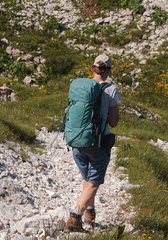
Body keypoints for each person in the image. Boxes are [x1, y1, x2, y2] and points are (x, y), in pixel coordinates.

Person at [66, 54, 121, 232]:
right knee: (93, 183)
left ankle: (89, 213)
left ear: (92, 69)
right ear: (109, 70)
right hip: (98, 143)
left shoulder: (79, 87)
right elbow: (113, 122)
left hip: (76, 141)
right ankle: (75, 217)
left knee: (87, 180)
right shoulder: (111, 90)